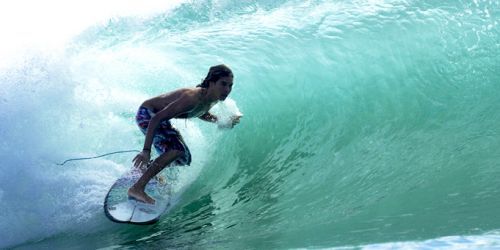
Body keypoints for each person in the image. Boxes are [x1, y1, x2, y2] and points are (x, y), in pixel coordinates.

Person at [128, 64, 241, 204]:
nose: (227, 90)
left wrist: (222, 121)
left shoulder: (212, 98)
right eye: (223, 84)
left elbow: (200, 112)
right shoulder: (192, 97)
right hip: (148, 115)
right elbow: (156, 119)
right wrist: (146, 151)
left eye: (230, 85)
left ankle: (147, 170)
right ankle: (137, 188)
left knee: (184, 158)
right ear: (212, 82)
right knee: (176, 150)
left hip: (159, 119)